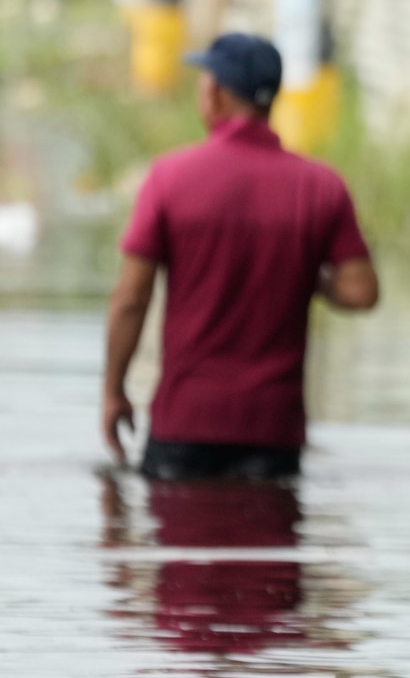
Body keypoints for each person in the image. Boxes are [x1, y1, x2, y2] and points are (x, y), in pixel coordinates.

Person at [101, 33, 378, 481]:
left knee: (181, 546)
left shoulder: (169, 178)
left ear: (213, 93)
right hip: (274, 429)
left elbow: (131, 298)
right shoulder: (321, 186)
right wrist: (308, 272)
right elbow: (361, 292)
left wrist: (113, 391)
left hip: (185, 422)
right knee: (269, 544)